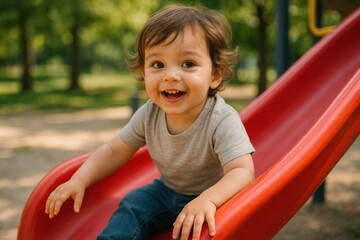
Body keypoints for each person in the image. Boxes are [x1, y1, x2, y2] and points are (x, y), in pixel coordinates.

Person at [45, 4, 255, 240]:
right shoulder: (150, 113)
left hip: (216, 197)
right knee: (133, 202)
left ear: (215, 75)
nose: (171, 75)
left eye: (188, 64)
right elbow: (114, 151)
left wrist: (207, 200)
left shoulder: (221, 119)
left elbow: (242, 171)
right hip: (166, 191)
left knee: (200, 229)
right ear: (144, 73)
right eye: (158, 65)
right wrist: (80, 179)